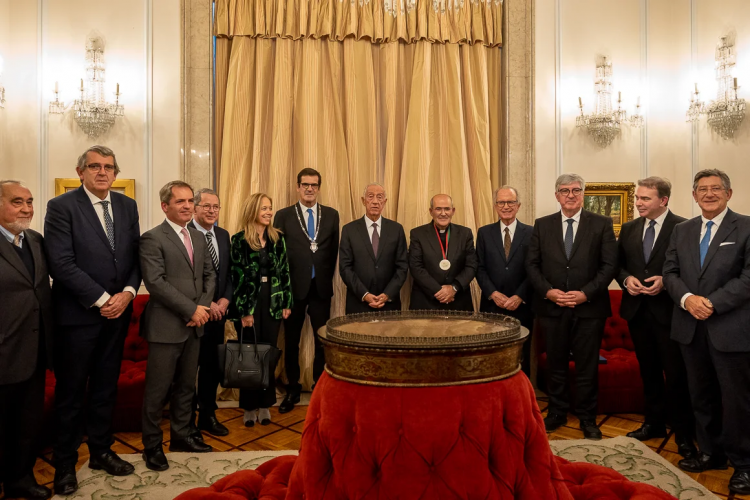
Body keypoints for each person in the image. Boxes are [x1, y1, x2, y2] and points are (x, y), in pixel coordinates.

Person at [44, 146, 141, 495]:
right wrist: (102, 300)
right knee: (70, 394)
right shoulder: (61, 207)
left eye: (109, 167)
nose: (103, 172)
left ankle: (101, 451)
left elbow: (136, 256)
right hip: (78, 318)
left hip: (118, 316)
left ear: (115, 173)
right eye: (95, 166)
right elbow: (61, 263)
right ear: (80, 171)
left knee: (105, 388)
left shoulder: (127, 206)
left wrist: (128, 292)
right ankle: (65, 464)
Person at [663, 169, 750, 495]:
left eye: (716, 188)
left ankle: (744, 464)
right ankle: (711, 453)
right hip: (690, 327)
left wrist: (711, 303)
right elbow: (670, 272)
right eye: (703, 189)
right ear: (694, 195)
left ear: (729, 193)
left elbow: (748, 278)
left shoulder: (746, 226)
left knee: (737, 400)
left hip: (730, 328)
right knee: (700, 395)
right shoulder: (682, 229)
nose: (709, 194)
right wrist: (688, 299)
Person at [526, 173, 618, 440]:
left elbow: (609, 266)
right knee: (555, 365)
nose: (570, 195)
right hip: (552, 308)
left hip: (589, 309)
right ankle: (557, 413)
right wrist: (548, 292)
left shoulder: (601, 224)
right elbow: (531, 264)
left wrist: (585, 294)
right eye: (564, 190)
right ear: (557, 195)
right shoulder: (542, 225)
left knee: (587, 366)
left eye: (576, 190)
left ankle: (588, 417)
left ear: (583, 194)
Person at [616, 177, 696, 459]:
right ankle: (654, 424)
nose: (638, 203)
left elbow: (692, 269)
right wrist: (626, 280)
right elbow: (618, 266)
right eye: (638, 198)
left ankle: (684, 433)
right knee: (648, 372)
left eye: (645, 198)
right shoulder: (629, 228)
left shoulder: (684, 227)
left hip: (670, 314)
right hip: (637, 312)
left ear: (663, 200)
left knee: (676, 375)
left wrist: (666, 280)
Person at [139, 181, 215, 471]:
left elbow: (209, 276)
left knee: (186, 387)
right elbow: (155, 282)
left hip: (195, 325)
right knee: (157, 392)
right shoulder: (152, 238)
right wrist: (191, 310)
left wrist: (201, 310)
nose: (187, 206)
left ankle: (181, 437)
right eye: (180, 201)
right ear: (165, 206)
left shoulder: (198, 237)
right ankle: (152, 446)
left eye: (189, 201)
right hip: (165, 327)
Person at [0, 181, 54, 500]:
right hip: (3, 353)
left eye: (30, 201)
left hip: (35, 352)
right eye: (17, 201)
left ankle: (20, 479)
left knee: (27, 425)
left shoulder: (35, 240)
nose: (26, 208)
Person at [273, 168, 339, 413]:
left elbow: (333, 252)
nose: (309, 189)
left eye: (314, 185)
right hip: (293, 290)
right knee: (292, 341)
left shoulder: (331, 215)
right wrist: (283, 291)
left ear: (319, 188)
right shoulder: (283, 215)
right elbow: (278, 255)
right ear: (298, 187)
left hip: (320, 288)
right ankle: (292, 388)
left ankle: (321, 388)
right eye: (305, 184)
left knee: (323, 341)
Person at [229, 193, 293, 427]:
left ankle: (265, 404)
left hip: (273, 302)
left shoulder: (277, 238)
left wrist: (286, 302)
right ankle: (248, 406)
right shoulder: (239, 240)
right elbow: (237, 278)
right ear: (252, 210)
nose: (269, 212)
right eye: (264, 208)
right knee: (250, 356)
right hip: (250, 303)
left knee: (267, 354)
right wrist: (245, 311)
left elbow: (285, 272)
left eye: (270, 208)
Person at [476, 186, 534, 377]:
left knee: (521, 356)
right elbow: (479, 268)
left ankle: (522, 393)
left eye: (510, 202)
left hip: (522, 306)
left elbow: (535, 269)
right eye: (501, 202)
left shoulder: (532, 233)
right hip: (492, 306)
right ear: (495, 206)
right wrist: (493, 293)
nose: (506, 206)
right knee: (492, 356)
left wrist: (519, 296)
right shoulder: (484, 233)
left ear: (518, 205)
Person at [189, 189, 233, 437]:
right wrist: (209, 303)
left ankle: (208, 415)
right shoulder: (185, 233)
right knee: (188, 370)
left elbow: (228, 273)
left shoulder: (223, 235)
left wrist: (225, 300)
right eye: (206, 206)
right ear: (195, 208)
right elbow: (186, 279)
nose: (211, 211)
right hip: (193, 313)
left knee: (211, 367)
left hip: (218, 316)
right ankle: (187, 420)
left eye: (215, 207)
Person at [339, 183, 408, 314]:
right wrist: (364, 294)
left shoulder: (396, 229)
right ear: (363, 201)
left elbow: (402, 266)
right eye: (370, 196)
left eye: (380, 197)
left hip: (388, 304)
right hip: (358, 303)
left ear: (385, 202)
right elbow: (345, 267)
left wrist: (387, 294)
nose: (375, 201)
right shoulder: (349, 230)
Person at [409, 194, 477, 311]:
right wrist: (438, 291)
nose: (443, 213)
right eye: (438, 209)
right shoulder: (418, 234)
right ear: (431, 211)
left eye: (447, 209)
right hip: (426, 301)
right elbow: (416, 267)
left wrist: (454, 288)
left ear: (453, 211)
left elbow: (471, 265)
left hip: (458, 300)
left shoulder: (465, 234)